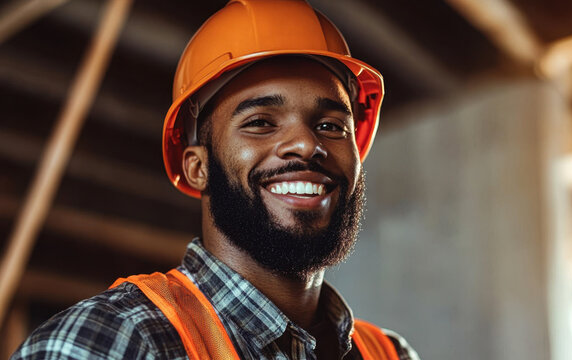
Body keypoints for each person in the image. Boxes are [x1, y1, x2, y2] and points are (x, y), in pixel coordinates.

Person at [11, 0, 419, 359]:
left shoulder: (389, 353)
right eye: (260, 122)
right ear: (197, 167)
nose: (306, 143)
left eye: (331, 125)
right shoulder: (109, 343)